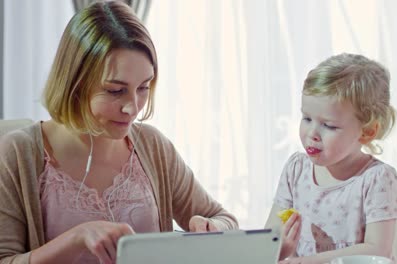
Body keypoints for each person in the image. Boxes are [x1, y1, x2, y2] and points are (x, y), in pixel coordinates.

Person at [0, 1, 238, 264]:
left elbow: (224, 219)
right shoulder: (17, 154)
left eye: (144, 87)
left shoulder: (152, 146)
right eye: (115, 90)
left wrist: (212, 229)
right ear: (74, 83)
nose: (132, 107)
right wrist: (76, 238)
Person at [265, 53, 397, 264]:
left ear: (367, 132)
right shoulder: (296, 170)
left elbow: (378, 250)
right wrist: (279, 249)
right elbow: (270, 237)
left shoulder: (376, 179)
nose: (312, 133)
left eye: (328, 125)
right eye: (306, 118)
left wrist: (310, 261)